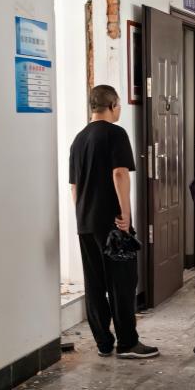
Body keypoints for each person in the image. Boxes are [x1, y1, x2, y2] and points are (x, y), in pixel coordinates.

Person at [69, 85, 159, 359]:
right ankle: (128, 343)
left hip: (86, 222)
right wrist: (125, 214)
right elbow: (119, 173)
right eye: (119, 105)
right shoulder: (115, 133)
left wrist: (84, 214)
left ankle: (103, 343)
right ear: (112, 105)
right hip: (112, 224)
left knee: (95, 283)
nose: (119, 110)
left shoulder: (78, 139)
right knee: (122, 282)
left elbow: (74, 186)